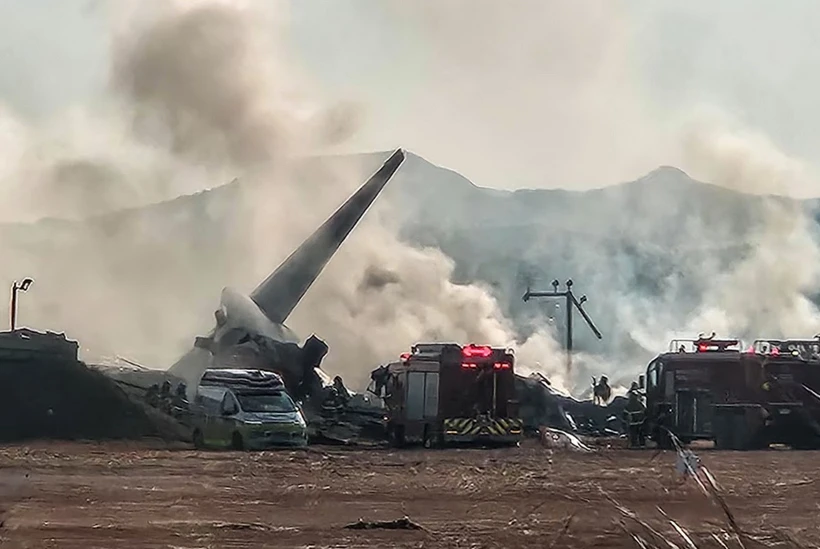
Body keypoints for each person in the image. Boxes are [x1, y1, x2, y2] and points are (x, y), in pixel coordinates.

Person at [623, 382, 646, 447]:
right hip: (637, 422)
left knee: (635, 434)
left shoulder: (631, 404)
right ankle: (639, 444)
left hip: (635, 422)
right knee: (637, 433)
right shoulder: (638, 404)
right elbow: (644, 410)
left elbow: (625, 413)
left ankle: (636, 444)